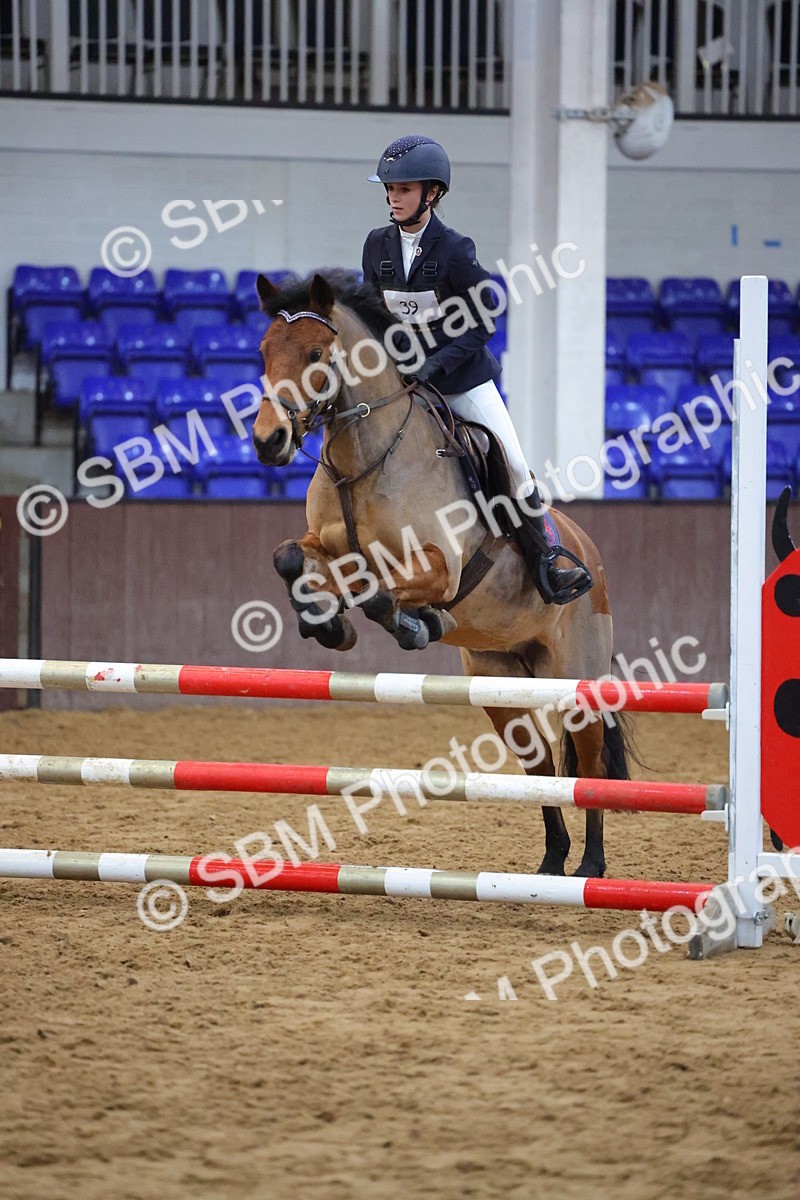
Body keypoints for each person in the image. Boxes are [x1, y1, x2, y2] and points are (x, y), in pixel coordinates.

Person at [361, 133, 592, 606]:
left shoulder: (454, 249)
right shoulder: (376, 245)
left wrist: (435, 364)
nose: (393, 197)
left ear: (432, 193)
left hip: (461, 379)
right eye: (389, 189)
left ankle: (547, 557)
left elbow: (483, 320)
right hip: (404, 380)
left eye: (403, 189)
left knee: (511, 461)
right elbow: (372, 314)